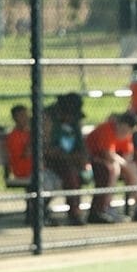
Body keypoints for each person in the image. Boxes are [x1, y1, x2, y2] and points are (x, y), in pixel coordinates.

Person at [4, 104, 63, 226]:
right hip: (23, 170)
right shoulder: (13, 136)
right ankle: (38, 214)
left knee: (56, 181)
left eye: (26, 115)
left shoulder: (29, 132)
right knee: (45, 182)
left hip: (37, 169)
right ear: (15, 118)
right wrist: (34, 138)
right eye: (22, 116)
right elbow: (26, 154)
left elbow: (44, 150)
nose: (25, 118)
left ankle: (40, 212)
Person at [85, 111, 137, 223]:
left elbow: (127, 156)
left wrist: (126, 166)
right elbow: (107, 154)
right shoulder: (107, 129)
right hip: (90, 161)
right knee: (113, 169)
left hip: (106, 161)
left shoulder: (127, 134)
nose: (131, 131)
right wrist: (124, 164)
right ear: (121, 124)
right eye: (130, 126)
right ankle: (106, 206)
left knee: (131, 168)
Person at [41, 94, 88, 226]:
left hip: (71, 160)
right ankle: (74, 212)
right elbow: (44, 149)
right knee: (70, 173)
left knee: (95, 168)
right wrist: (62, 155)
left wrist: (83, 158)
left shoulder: (74, 121)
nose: (70, 118)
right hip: (50, 162)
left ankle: (94, 211)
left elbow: (82, 147)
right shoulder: (47, 118)